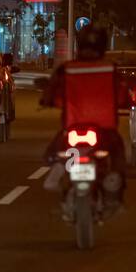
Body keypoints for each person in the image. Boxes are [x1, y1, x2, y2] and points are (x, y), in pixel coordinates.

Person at [39, 24, 127, 205]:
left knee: (55, 152)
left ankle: (57, 170)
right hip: (106, 129)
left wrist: (47, 101)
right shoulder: (110, 68)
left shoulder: (67, 68)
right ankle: (115, 182)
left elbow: (52, 94)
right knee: (118, 152)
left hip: (72, 127)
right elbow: (121, 96)